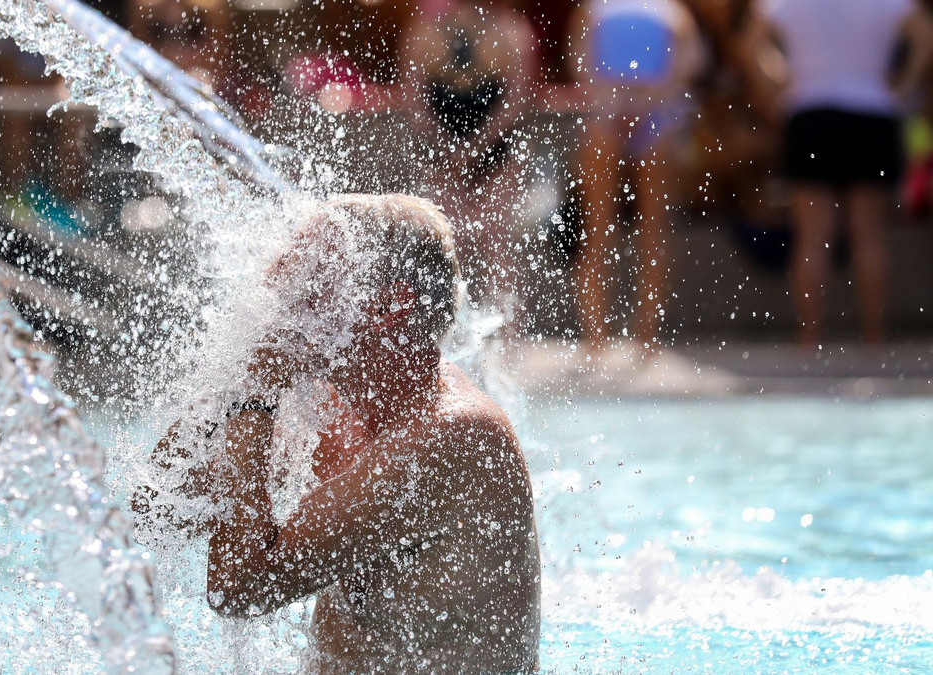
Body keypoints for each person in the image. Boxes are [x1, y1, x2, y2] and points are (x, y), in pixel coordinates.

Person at [150, 194, 540, 674]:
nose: (281, 287)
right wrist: (230, 369)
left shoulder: (454, 436)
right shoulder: (332, 406)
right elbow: (159, 506)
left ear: (390, 304)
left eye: (310, 272)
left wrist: (251, 400)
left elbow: (237, 588)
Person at [751, 0, 933, 347]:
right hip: (872, 112)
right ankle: (874, 338)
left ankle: (809, 339)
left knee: (812, 235)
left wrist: (778, 82)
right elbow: (926, 35)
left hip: (810, 112)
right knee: (869, 234)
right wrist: (903, 85)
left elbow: (752, 40)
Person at [569, 0, 706, 352]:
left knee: (648, 232)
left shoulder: (661, 9)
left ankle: (636, 337)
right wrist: (640, 98)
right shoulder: (669, 10)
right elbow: (690, 62)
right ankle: (603, 338)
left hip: (632, 114)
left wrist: (625, 99)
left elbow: (579, 59)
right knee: (605, 230)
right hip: (632, 113)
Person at [398, 0, 539, 309]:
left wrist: (476, 145)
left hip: (495, 147)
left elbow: (517, 100)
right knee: (442, 241)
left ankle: (505, 338)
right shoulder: (426, 30)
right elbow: (413, 99)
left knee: (499, 243)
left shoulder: (511, 29)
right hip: (442, 147)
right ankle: (440, 329)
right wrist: (449, 146)